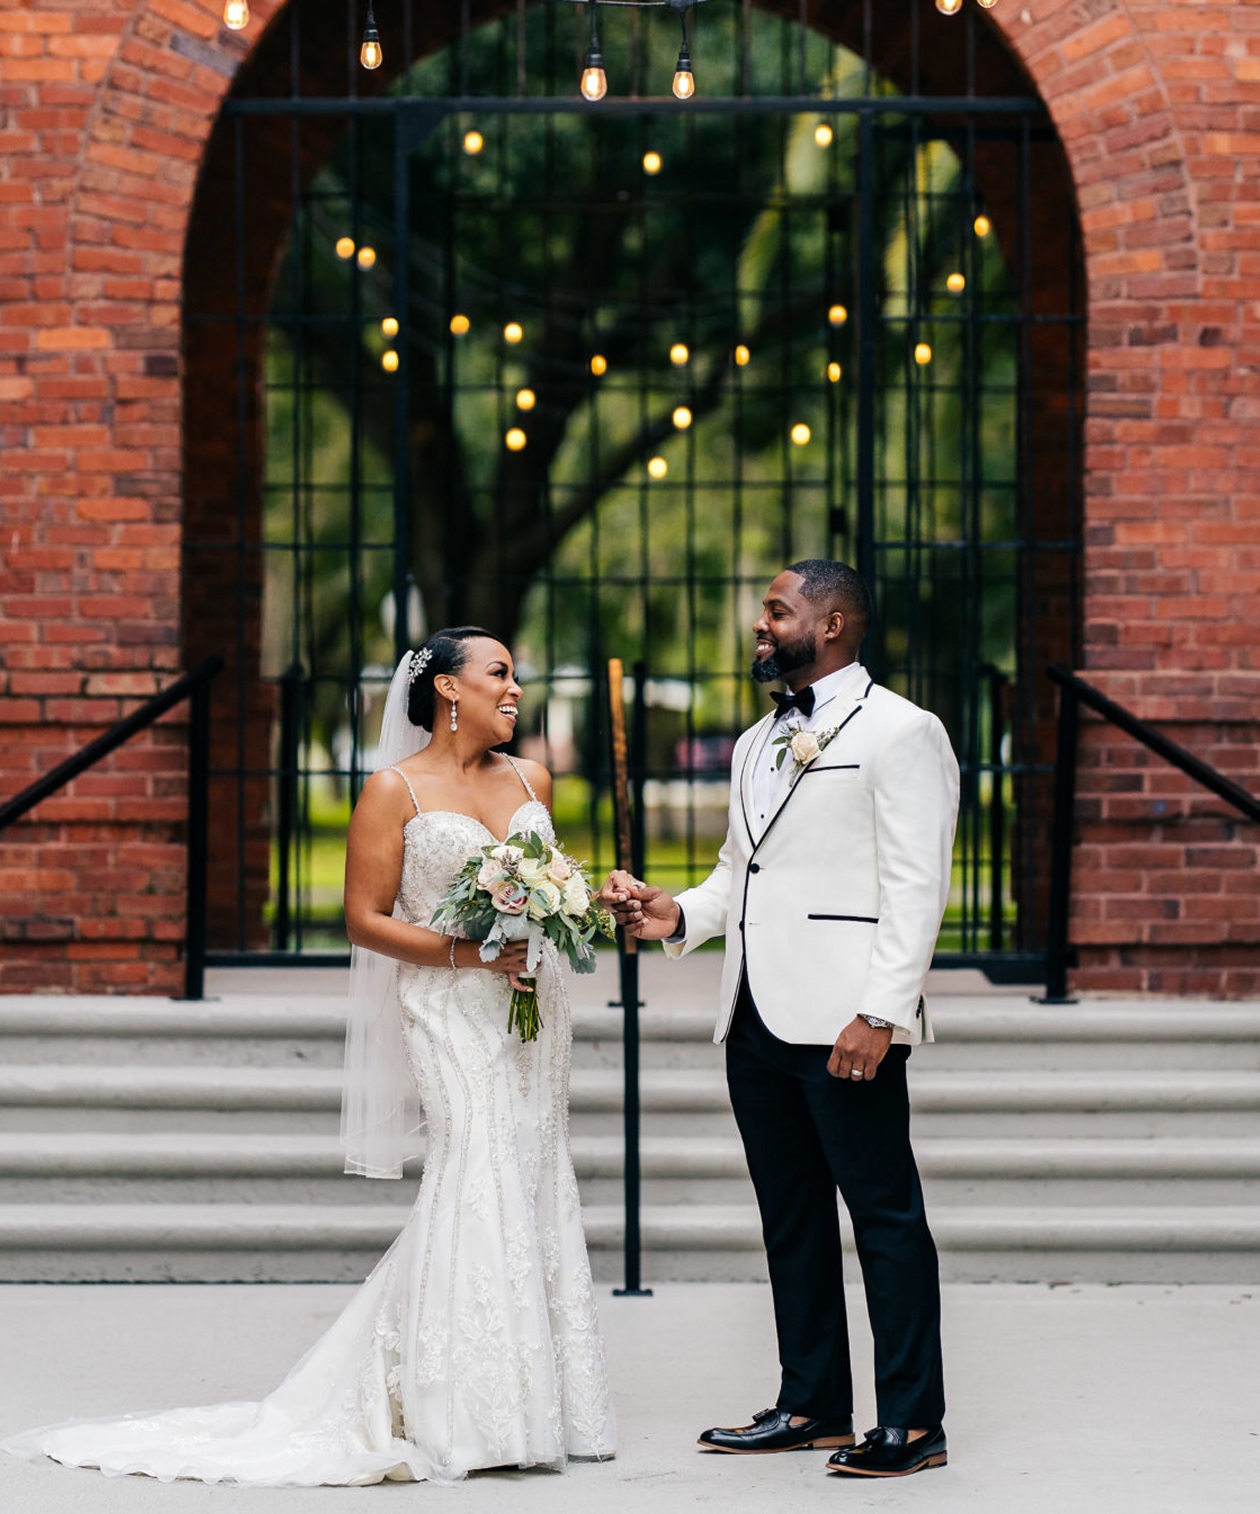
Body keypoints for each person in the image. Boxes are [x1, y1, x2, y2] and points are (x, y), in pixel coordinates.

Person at [2, 627, 615, 1486]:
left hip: (529, 1004)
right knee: (475, 1170)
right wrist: (469, 954)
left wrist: (574, 908)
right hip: (445, 1004)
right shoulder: (393, 790)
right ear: (446, 688)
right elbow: (365, 919)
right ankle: (461, 1411)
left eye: (516, 674)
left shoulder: (532, 780)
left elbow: (555, 893)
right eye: (499, 673)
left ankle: (531, 1399)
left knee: (529, 1169)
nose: (516, 688)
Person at [601, 561, 958, 1479]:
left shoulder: (902, 732)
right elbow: (739, 874)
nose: (759, 626)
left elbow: (917, 889)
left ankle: (914, 1422)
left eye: (777, 611)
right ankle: (814, 1404)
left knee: (884, 1218)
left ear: (834, 623)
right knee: (790, 1217)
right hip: (754, 1016)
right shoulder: (756, 742)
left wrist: (880, 1012)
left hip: (848, 1019)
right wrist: (672, 914)